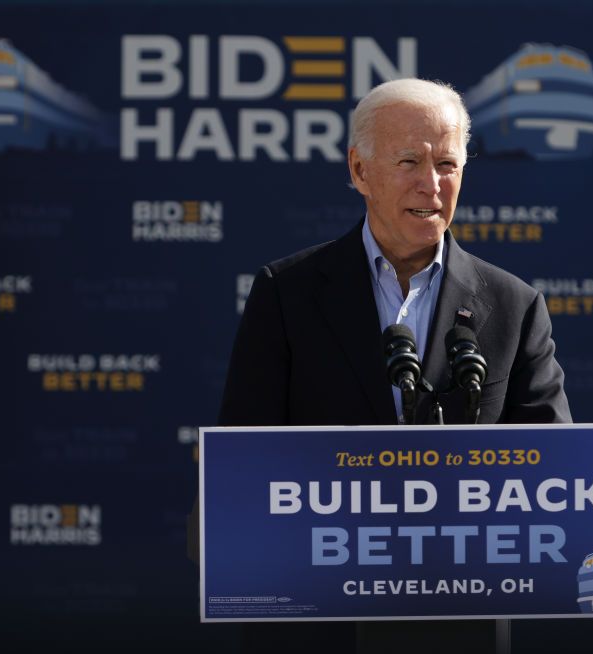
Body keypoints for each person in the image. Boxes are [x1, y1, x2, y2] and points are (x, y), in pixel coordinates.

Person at [219, 78, 571, 428]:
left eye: (446, 164)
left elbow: (554, 462)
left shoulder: (516, 307)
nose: (431, 185)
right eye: (409, 161)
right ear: (360, 170)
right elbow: (245, 455)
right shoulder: (286, 295)